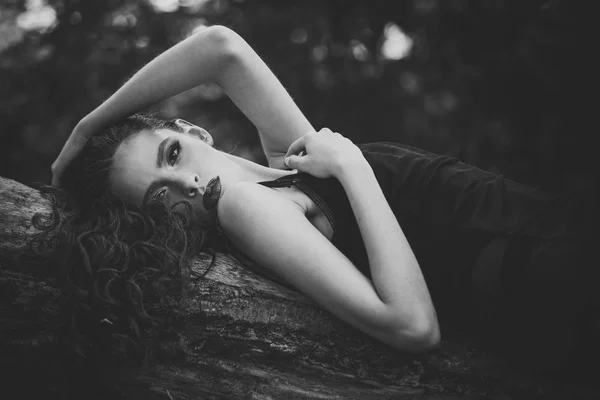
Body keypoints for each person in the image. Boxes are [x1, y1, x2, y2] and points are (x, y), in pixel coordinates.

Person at [45, 25, 595, 372]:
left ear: (194, 131)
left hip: (545, 235)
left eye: (170, 155)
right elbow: (412, 327)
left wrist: (86, 128)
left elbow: (219, 48)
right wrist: (354, 168)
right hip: (533, 270)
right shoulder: (246, 207)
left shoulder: (288, 161)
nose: (187, 187)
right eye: (159, 198)